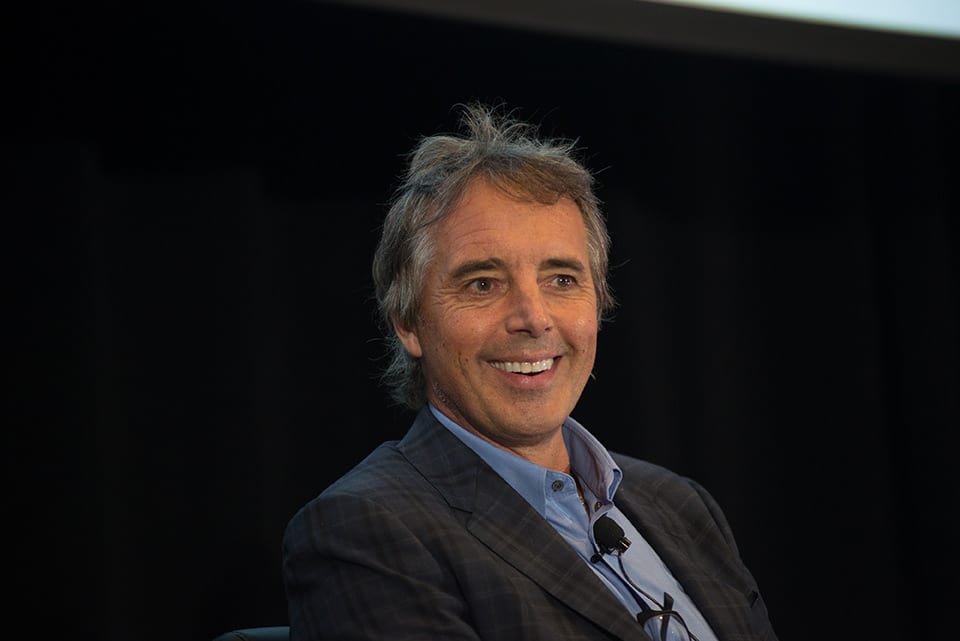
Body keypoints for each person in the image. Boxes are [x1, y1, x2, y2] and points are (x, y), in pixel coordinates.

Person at [282, 102, 779, 641]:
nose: (533, 318)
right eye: (482, 284)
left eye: (562, 279)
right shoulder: (363, 530)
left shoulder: (681, 505)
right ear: (407, 322)